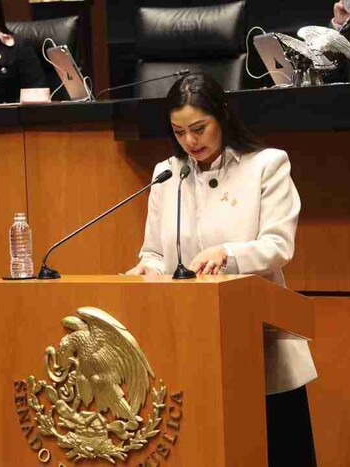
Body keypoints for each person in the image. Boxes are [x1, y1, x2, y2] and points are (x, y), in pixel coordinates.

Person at [126, 73, 318, 466]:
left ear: (223, 117)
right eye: (179, 132)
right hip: (185, 343)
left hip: (256, 339)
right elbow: (154, 252)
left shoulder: (266, 165)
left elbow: (278, 246)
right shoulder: (168, 174)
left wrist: (227, 254)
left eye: (199, 128)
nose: (190, 142)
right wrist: (146, 269)